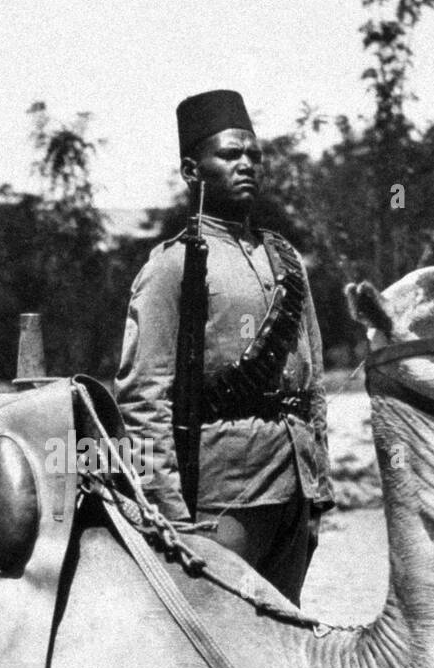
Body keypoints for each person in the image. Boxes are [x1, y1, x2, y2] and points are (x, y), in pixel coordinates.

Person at [114, 89, 333, 604]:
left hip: (292, 489)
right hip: (220, 497)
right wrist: (170, 516)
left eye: (254, 155)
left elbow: (314, 381)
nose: (247, 165)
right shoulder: (172, 267)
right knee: (217, 645)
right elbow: (144, 399)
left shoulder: (286, 259)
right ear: (194, 171)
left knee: (286, 638)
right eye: (230, 155)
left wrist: (317, 487)